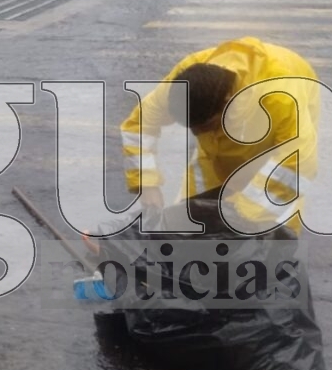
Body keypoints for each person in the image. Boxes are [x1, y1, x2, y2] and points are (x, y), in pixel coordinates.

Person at [121, 37, 319, 231]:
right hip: (225, 134)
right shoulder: (184, 83)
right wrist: (146, 183)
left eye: (205, 126)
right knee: (193, 216)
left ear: (227, 101)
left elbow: (296, 163)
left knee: (267, 219)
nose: (197, 132)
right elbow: (139, 125)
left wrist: (245, 213)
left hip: (273, 133)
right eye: (192, 127)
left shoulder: (280, 97)